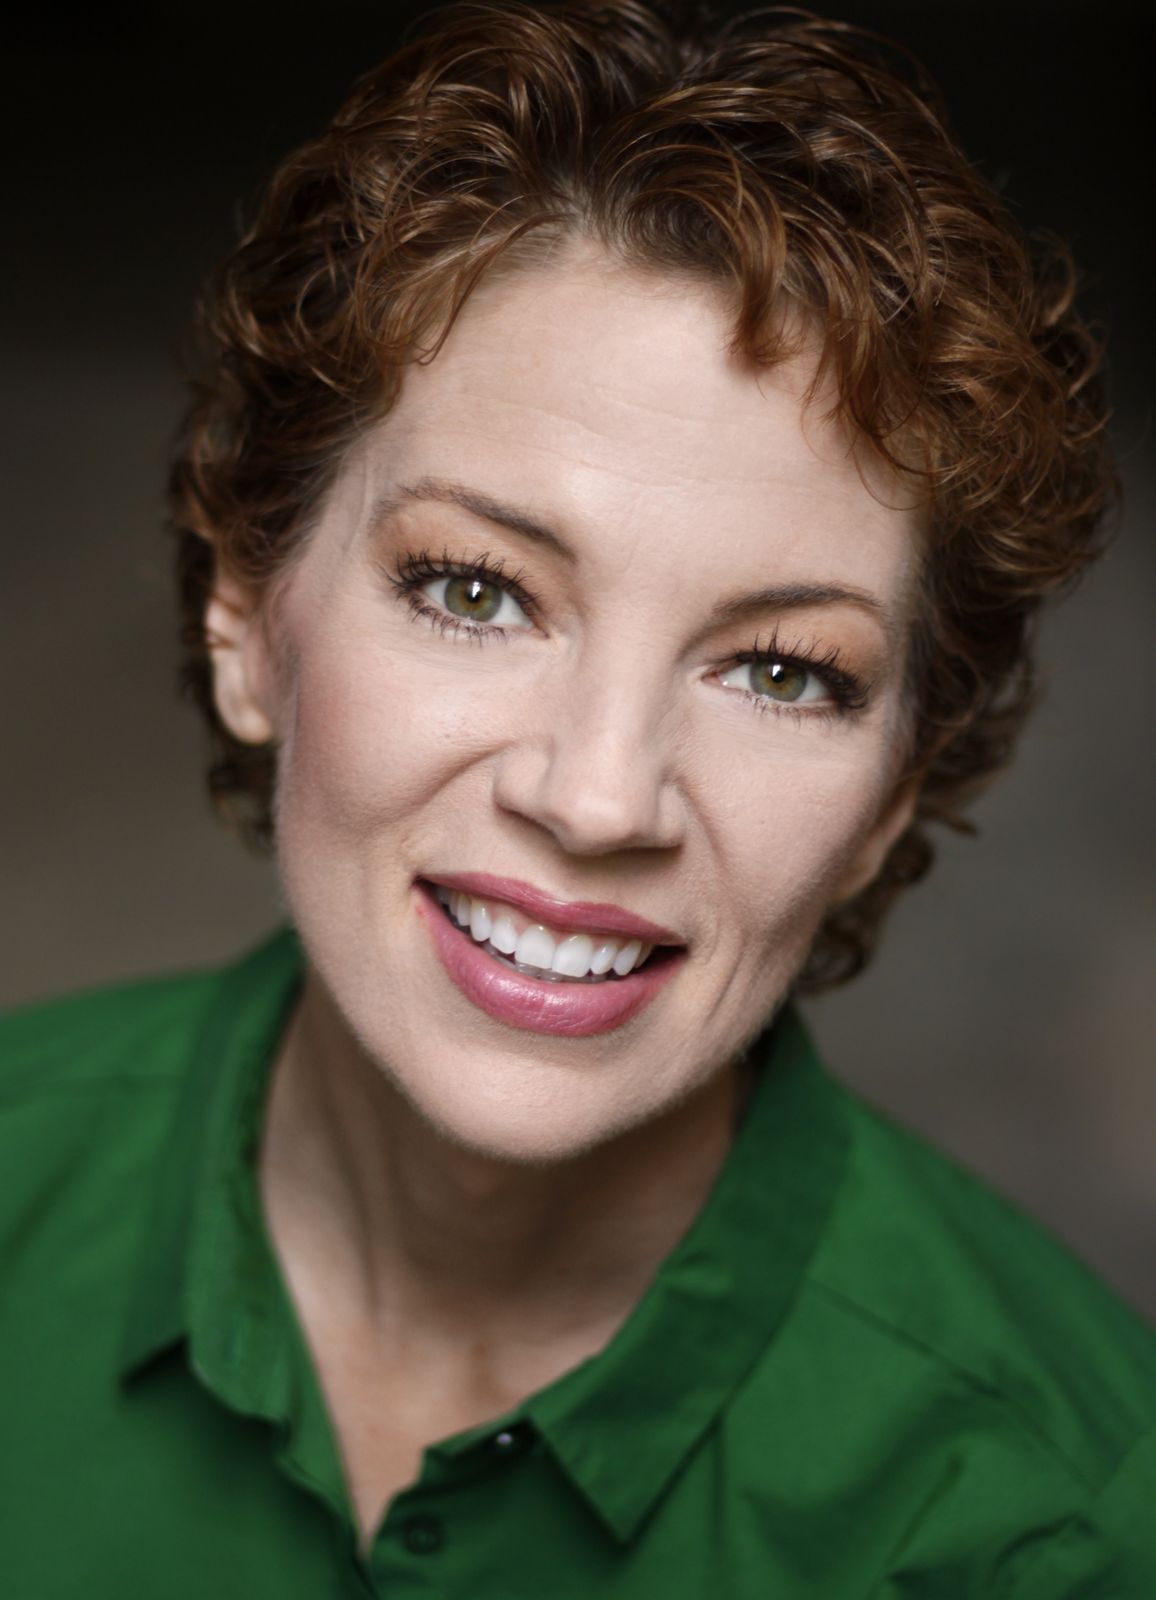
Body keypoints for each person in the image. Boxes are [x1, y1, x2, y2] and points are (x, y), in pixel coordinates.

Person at [3, 0, 1154, 1592]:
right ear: (246, 617)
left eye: (781, 671)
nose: (600, 798)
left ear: (897, 794)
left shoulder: (1071, 1526)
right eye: (477, 590)